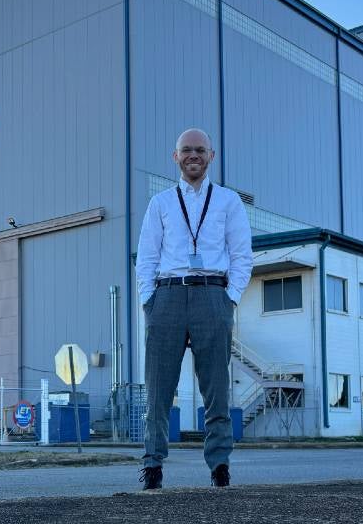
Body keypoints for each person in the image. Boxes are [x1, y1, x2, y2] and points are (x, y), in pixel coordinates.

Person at [135, 128, 252, 490]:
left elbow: (241, 255)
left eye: (200, 150)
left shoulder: (228, 201)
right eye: (186, 150)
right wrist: (148, 302)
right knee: (158, 388)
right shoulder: (161, 203)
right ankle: (153, 464)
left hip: (211, 296)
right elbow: (147, 258)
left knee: (216, 387)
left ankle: (219, 464)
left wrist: (229, 298)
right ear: (175, 157)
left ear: (211, 156)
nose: (193, 156)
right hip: (167, 297)